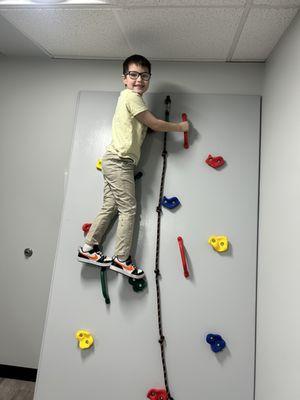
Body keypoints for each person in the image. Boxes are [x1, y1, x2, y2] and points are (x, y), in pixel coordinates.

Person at [77, 54, 189, 279]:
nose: (139, 79)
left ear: (149, 79)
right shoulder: (131, 97)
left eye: (144, 76)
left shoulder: (131, 101)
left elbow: (146, 127)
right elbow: (153, 122)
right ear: (124, 79)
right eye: (134, 74)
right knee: (128, 209)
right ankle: (122, 259)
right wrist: (181, 127)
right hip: (119, 162)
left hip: (115, 161)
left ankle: (88, 249)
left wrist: (151, 128)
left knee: (111, 206)